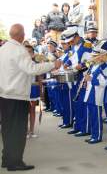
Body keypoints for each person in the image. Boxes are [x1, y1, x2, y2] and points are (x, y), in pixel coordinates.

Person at [0, 24, 61, 171]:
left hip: (4, 95)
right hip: (17, 96)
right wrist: (52, 65)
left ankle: (7, 159)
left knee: (7, 129)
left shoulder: (3, 49)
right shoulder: (19, 50)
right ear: (21, 35)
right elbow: (31, 69)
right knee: (18, 130)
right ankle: (15, 162)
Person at [25, 44, 40, 138]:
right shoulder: (20, 64)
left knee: (32, 110)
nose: (28, 54)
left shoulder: (35, 64)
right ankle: (25, 131)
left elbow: (39, 77)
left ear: (33, 54)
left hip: (33, 88)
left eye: (30, 52)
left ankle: (32, 130)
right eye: (26, 52)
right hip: (23, 89)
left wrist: (40, 87)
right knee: (24, 111)